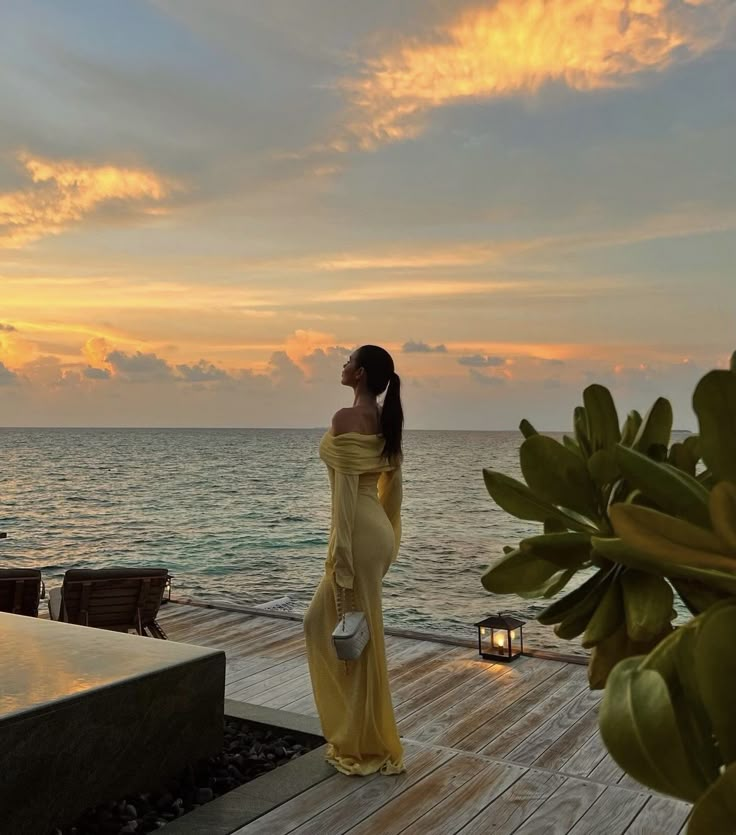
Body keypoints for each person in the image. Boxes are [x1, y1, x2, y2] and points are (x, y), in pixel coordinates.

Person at [304, 344, 405, 776]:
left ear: (360, 374)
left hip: (357, 536)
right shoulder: (386, 420)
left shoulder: (346, 419)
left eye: (347, 361)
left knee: (339, 631)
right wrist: (388, 533)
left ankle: (363, 743)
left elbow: (344, 500)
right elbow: (391, 486)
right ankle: (360, 731)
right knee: (359, 633)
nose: (342, 366)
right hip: (376, 529)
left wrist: (340, 556)